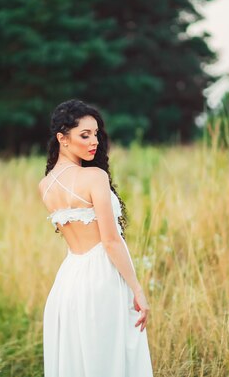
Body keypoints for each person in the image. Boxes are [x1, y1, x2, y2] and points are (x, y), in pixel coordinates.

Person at [38, 99, 153, 377]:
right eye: (85, 135)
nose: (95, 142)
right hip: (103, 278)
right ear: (62, 139)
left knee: (82, 360)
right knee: (109, 359)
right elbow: (110, 241)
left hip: (69, 282)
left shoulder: (45, 185)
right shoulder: (93, 177)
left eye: (96, 134)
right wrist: (137, 288)